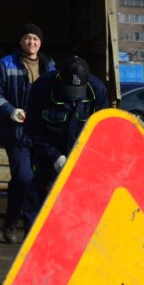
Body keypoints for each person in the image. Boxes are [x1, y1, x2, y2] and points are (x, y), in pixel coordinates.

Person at [23, 55, 109, 228]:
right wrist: (56, 157)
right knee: (35, 196)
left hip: (83, 155)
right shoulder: (42, 88)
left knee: (84, 203)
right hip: (47, 150)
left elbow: (104, 131)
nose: (74, 98)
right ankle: (32, 244)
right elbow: (34, 128)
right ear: (60, 79)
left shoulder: (97, 90)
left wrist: (86, 159)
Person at [0, 23, 54, 244]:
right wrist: (10, 111)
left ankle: (32, 228)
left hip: (41, 133)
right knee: (24, 177)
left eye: (35, 39)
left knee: (38, 181)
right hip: (17, 133)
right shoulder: (6, 64)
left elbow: (54, 93)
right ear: (21, 41)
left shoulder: (49, 65)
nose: (31, 42)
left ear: (40, 43)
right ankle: (11, 222)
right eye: (27, 38)